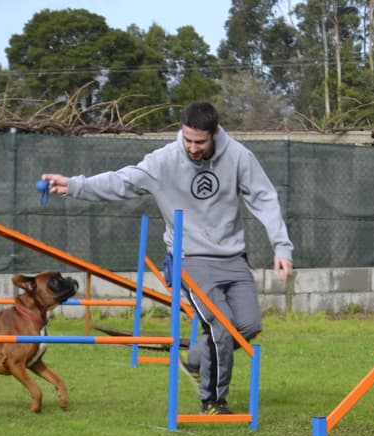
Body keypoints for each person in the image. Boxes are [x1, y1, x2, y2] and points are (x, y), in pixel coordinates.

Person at [41, 101, 294, 415]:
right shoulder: (164, 161)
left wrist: (282, 247)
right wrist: (76, 186)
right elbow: (123, 181)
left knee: (247, 325)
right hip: (189, 259)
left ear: (215, 134)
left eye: (199, 142)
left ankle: (196, 359)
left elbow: (265, 199)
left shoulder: (239, 157)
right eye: (187, 139)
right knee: (219, 326)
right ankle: (213, 401)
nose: (192, 147)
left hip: (232, 257)